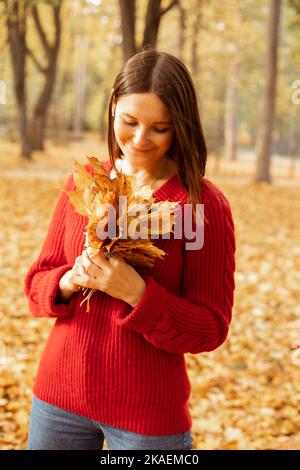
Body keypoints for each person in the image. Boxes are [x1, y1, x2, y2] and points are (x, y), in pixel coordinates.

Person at [24, 47, 236, 451]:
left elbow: (211, 326)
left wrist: (136, 293)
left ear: (182, 127)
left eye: (160, 127)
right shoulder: (86, 181)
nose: (139, 139)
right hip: (58, 400)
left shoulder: (199, 206)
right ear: (112, 110)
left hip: (147, 417)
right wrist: (68, 280)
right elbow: (36, 283)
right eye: (129, 121)